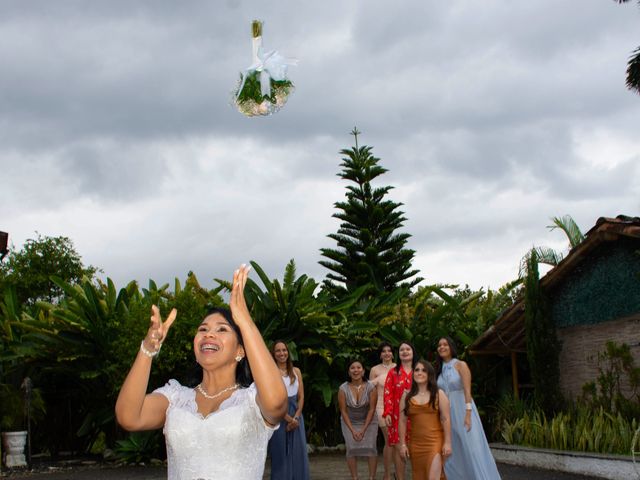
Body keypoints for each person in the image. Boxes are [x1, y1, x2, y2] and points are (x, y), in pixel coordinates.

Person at [115, 265, 287, 480]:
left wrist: (244, 321)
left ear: (241, 350)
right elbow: (128, 417)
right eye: (203, 329)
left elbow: (278, 402)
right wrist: (147, 350)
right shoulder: (176, 399)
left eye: (222, 329)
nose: (209, 334)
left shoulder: (252, 400)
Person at [436, 337, 501, 480]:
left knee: (471, 448)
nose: (442, 347)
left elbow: (467, 391)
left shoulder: (461, 365)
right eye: (439, 345)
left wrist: (468, 413)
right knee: (455, 449)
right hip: (447, 414)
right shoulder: (438, 371)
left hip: (462, 409)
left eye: (445, 344)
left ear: (451, 347)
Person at [398, 360, 452, 480]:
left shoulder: (439, 394)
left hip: (435, 442)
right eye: (416, 370)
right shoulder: (406, 396)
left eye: (423, 370)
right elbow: (402, 421)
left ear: (429, 374)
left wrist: (447, 442)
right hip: (415, 444)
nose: (419, 373)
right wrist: (402, 444)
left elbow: (445, 418)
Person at [267, 340, 310, 480]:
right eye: (278, 351)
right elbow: (270, 399)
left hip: (296, 415)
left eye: (284, 350)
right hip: (279, 415)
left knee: (298, 452)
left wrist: (296, 417)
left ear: (288, 352)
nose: (282, 353)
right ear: (273, 354)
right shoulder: (270, 372)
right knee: (280, 453)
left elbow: (301, 396)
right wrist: (287, 418)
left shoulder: (296, 371)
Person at [338, 359, 379, 480]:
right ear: (349, 372)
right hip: (349, 421)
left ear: (363, 371)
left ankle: (372, 477)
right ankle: (354, 478)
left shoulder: (371, 387)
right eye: (352, 368)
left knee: (371, 448)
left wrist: (363, 429)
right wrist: (353, 430)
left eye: (358, 367)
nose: (356, 370)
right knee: (351, 449)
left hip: (369, 421)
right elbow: (343, 411)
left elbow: (372, 410)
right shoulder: (343, 389)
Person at [383, 342, 417, 480]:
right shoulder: (393, 372)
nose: (404, 351)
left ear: (413, 352)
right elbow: (388, 393)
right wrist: (388, 413)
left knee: (417, 450)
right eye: (402, 349)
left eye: (408, 349)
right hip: (397, 417)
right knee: (399, 450)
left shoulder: (420, 370)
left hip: (418, 417)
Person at [369, 341, 396, 480]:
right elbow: (369, 391)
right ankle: (387, 474)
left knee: (397, 441)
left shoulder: (398, 367)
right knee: (390, 439)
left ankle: (398, 472)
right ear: (380, 355)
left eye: (389, 350)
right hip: (380, 407)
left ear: (392, 353)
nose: (387, 353)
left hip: (397, 407)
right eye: (383, 351)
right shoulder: (375, 370)